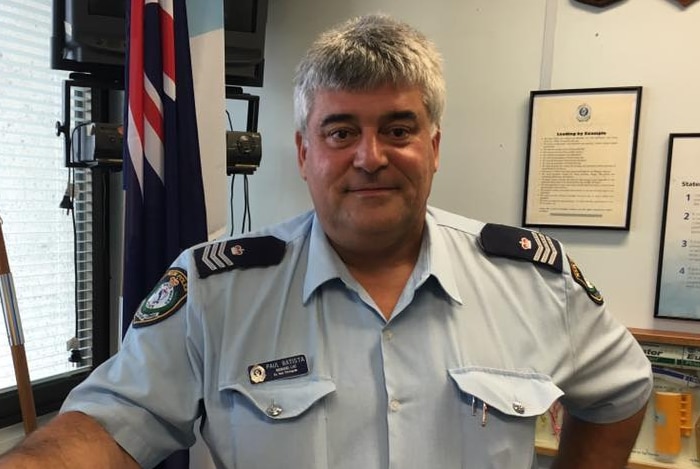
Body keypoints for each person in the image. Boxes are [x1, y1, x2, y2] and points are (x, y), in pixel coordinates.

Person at [0, 13, 652, 469]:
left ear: (434, 147)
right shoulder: (213, 290)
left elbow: (620, 390)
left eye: (398, 128)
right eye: (341, 132)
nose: (370, 157)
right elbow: (103, 429)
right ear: (303, 151)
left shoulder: (533, 280)